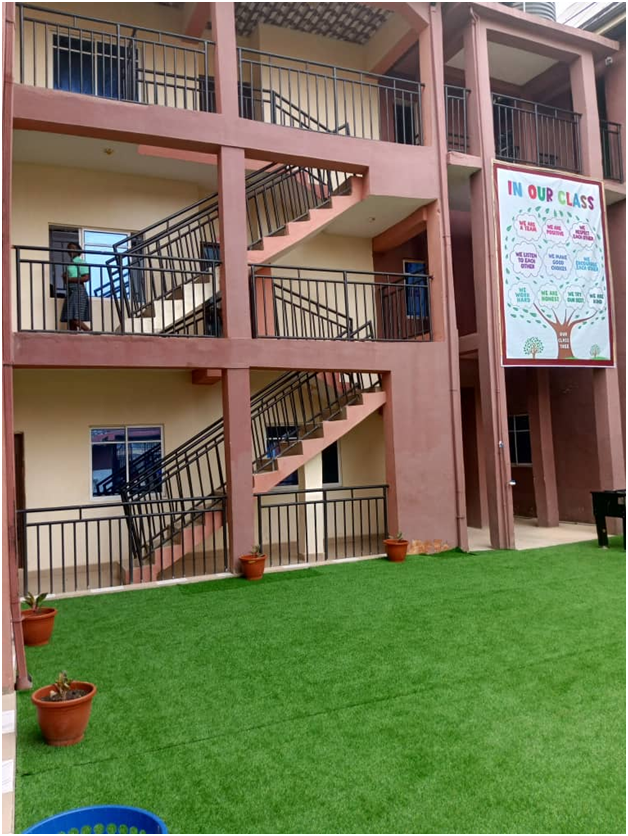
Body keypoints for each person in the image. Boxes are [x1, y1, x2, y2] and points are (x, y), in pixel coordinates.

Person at [60, 242, 91, 331]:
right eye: (69, 248)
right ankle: (73, 337)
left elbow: (86, 277)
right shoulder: (71, 263)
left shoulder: (81, 262)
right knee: (70, 319)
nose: (71, 250)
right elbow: (67, 281)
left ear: (78, 251)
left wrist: (69, 279)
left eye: (73, 248)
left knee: (75, 318)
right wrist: (65, 277)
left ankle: (91, 333)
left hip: (78, 291)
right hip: (70, 291)